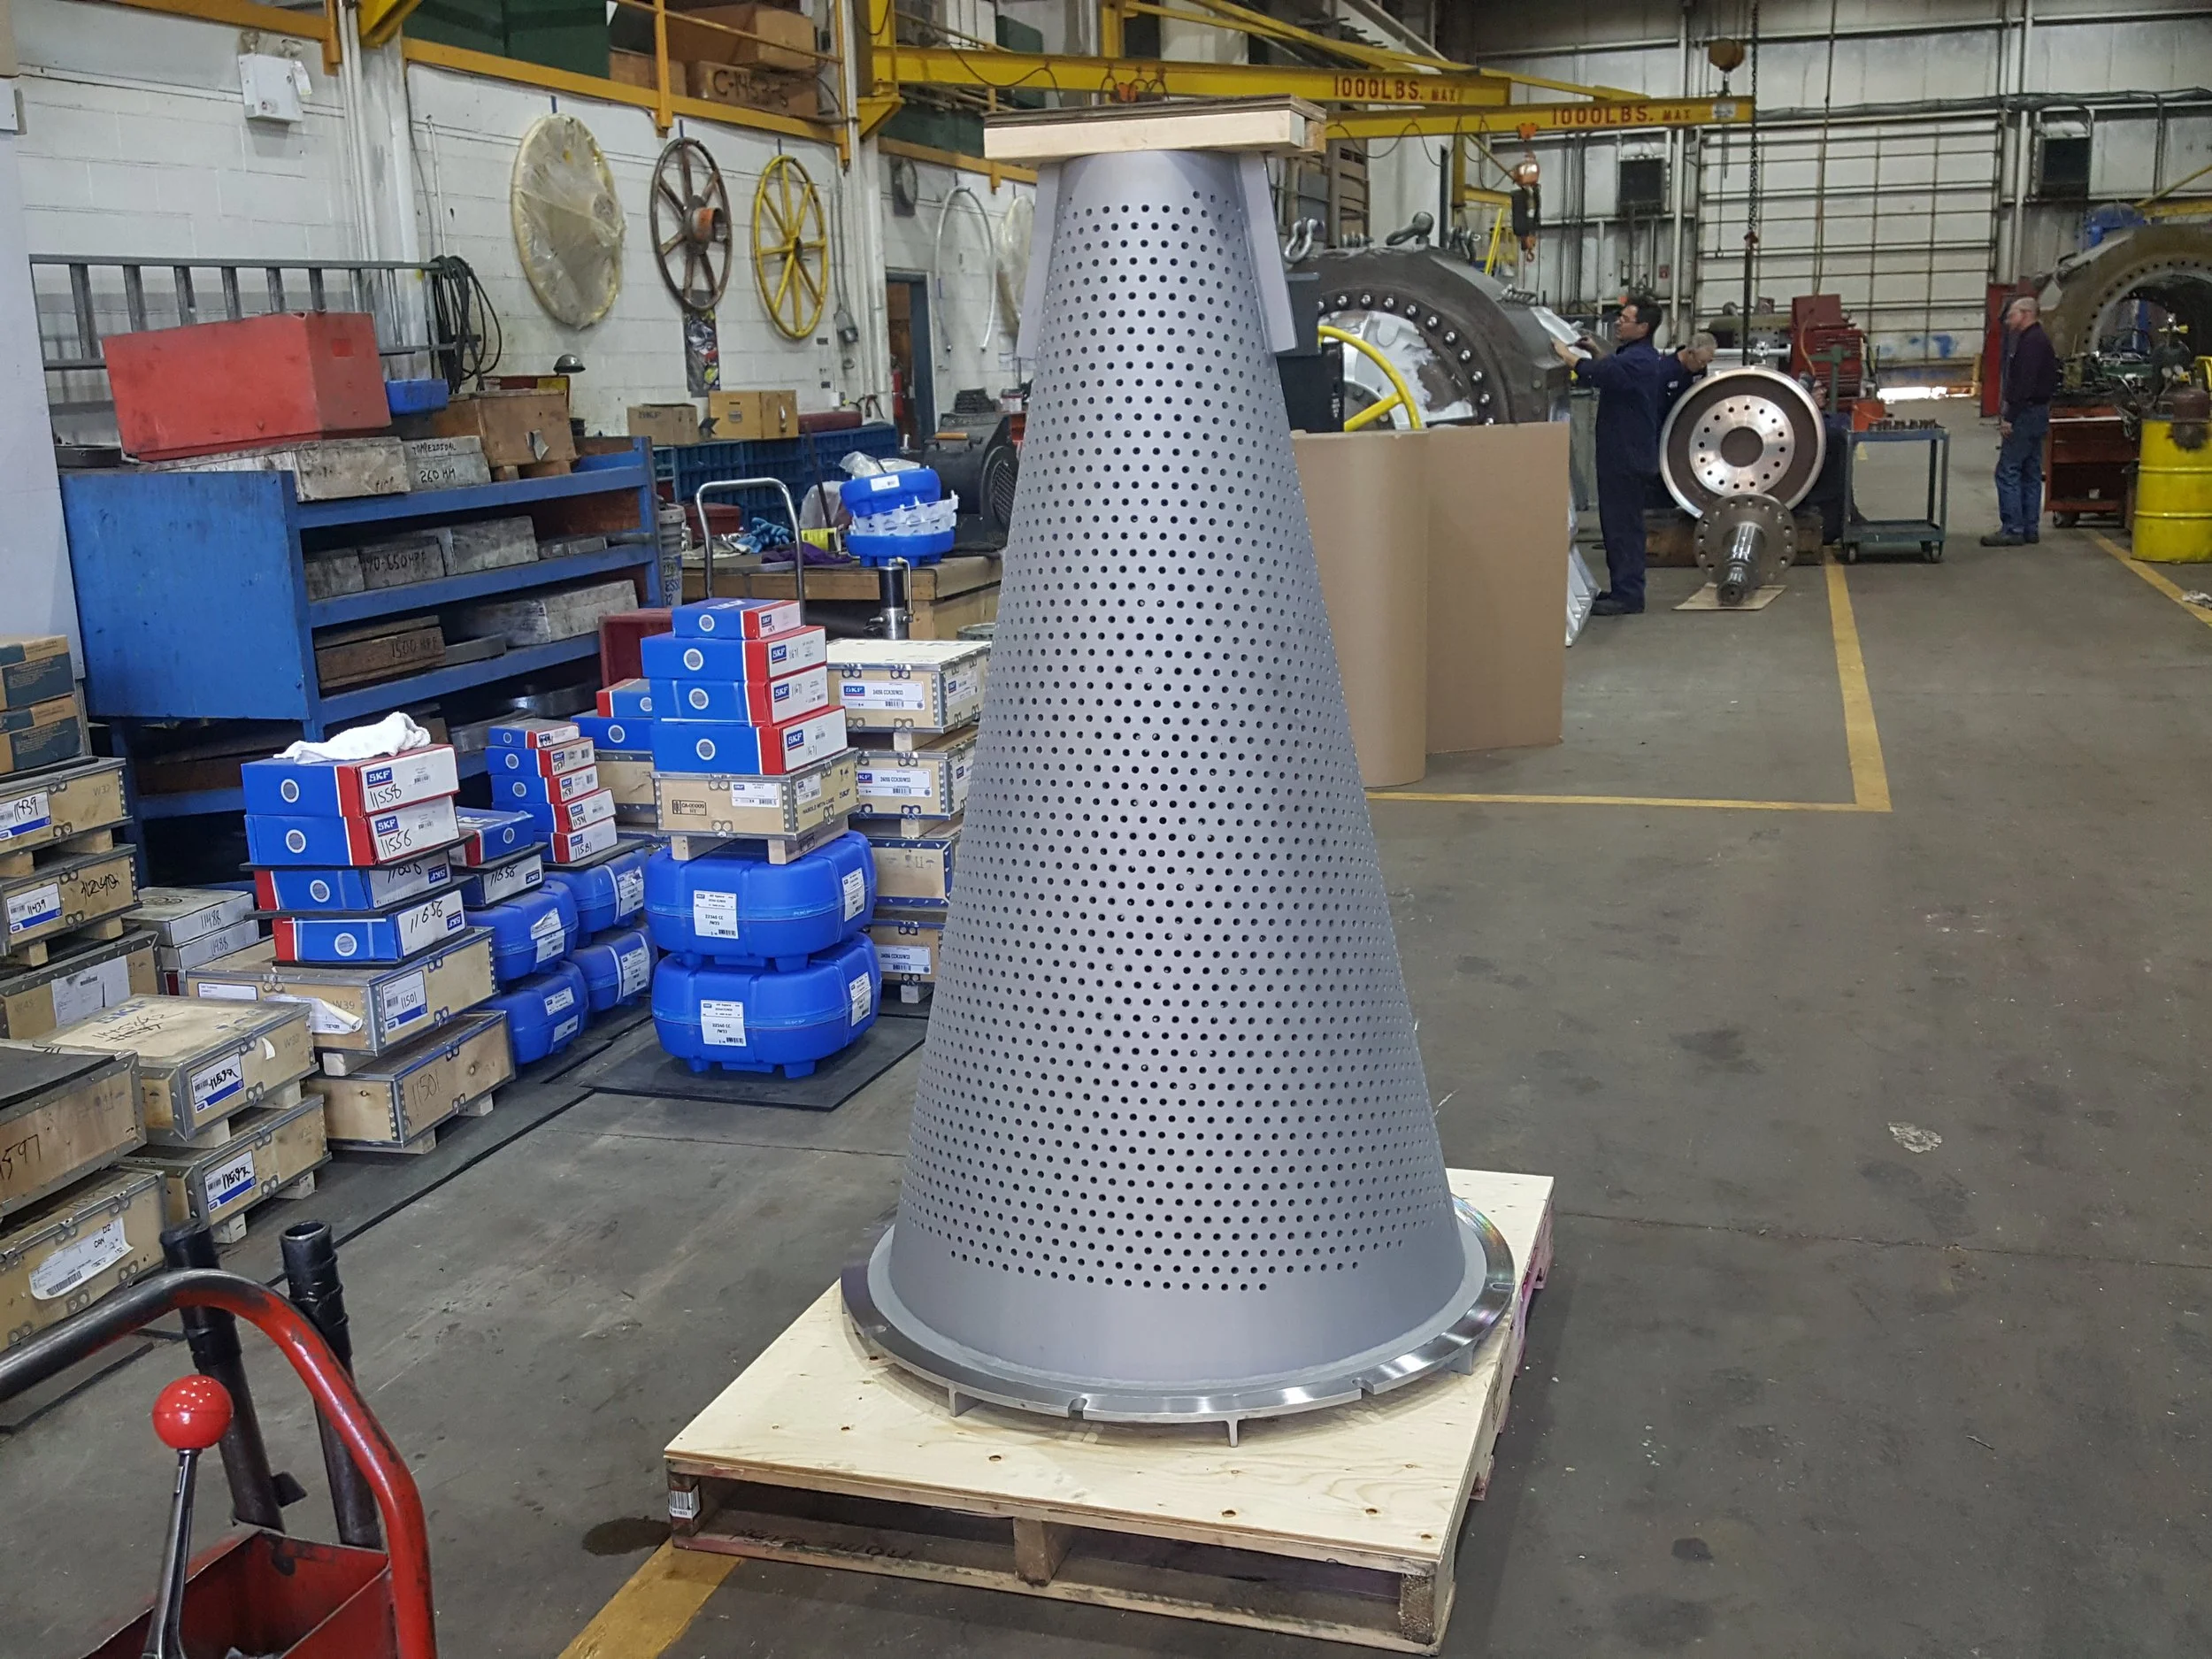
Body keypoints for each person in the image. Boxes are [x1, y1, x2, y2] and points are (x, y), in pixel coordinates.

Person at [1553, 295, 1671, 616]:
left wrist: (1568, 357)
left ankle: (1629, 595)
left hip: (1626, 457)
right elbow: (1612, 366)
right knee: (1619, 525)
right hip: (1624, 454)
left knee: (1622, 528)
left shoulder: (1640, 361)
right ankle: (1624, 588)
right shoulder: (1635, 356)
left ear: (1643, 327)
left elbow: (1603, 374)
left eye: (1626, 318)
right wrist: (1593, 351)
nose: (1619, 322)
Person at [1983, 295, 2055, 546]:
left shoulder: (2031, 343)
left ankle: (2013, 528)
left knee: (2008, 470)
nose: (2008, 320)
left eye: (2012, 315)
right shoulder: (2036, 340)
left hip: (2025, 414)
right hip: (2038, 412)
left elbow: (2024, 384)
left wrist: (2010, 418)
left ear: (2025, 314)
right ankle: (2029, 528)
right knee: (2031, 470)